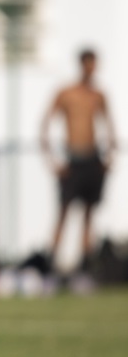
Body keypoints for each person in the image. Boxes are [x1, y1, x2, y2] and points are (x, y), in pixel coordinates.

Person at [40, 49, 118, 290]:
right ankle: (51, 272)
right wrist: (53, 161)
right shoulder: (66, 93)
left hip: (93, 160)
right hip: (71, 161)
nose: (91, 70)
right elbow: (45, 127)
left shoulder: (98, 95)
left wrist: (109, 158)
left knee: (88, 217)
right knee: (62, 215)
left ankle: (83, 272)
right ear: (81, 65)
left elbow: (109, 126)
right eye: (88, 65)